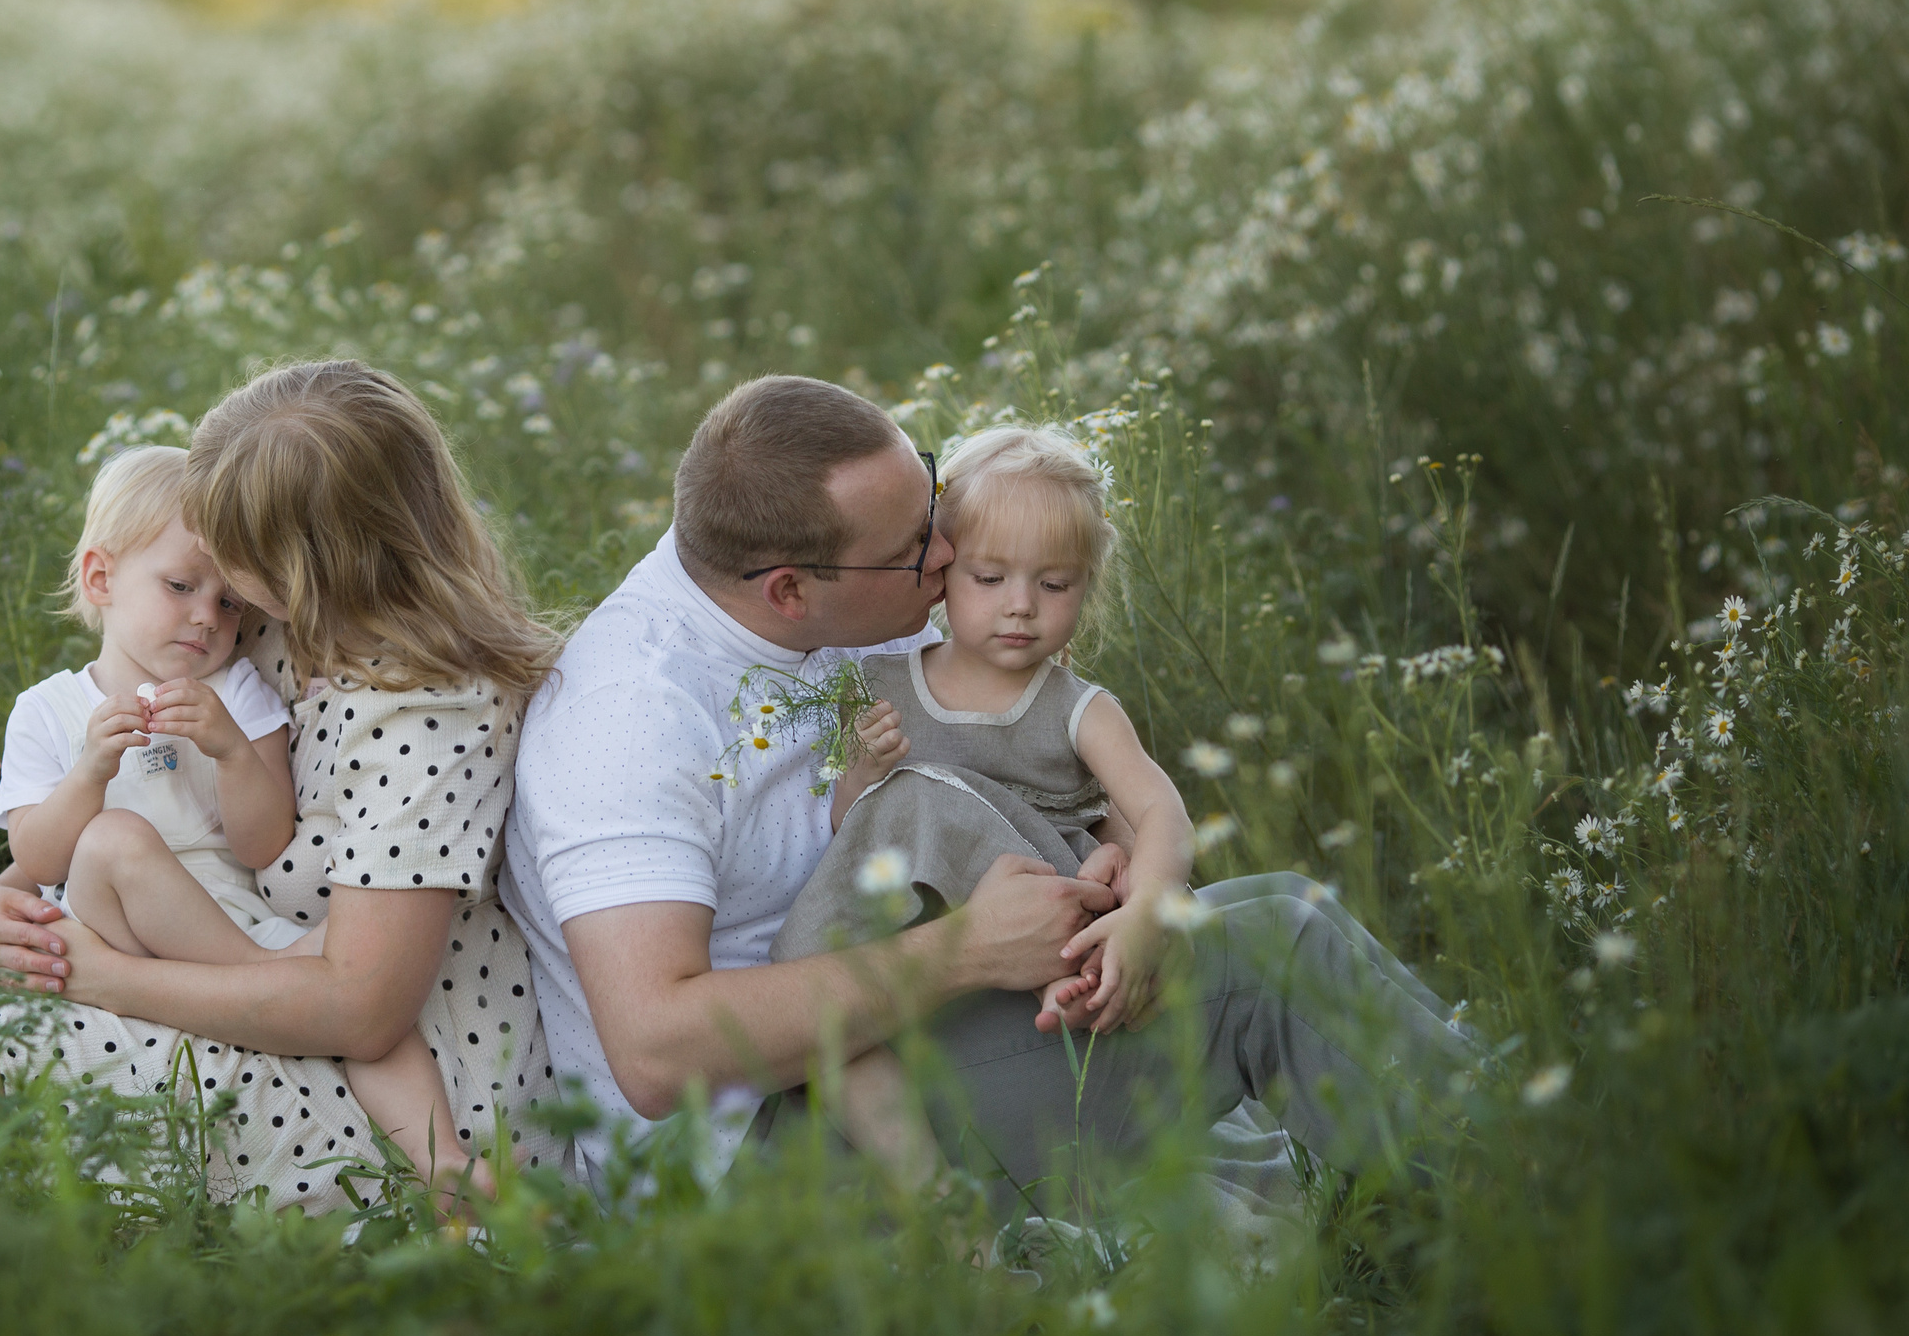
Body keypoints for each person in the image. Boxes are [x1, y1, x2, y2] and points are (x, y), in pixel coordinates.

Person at [502, 374, 1472, 1216]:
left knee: (1251, 940)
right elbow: (657, 1053)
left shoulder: (862, 595)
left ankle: (1470, 1145)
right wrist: (965, 952)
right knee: (1282, 945)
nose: (942, 555)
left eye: (931, 501)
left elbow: (1029, 762)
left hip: (899, 1029)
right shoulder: (629, 719)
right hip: (767, 1153)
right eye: (915, 546)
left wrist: (1110, 858)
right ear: (789, 591)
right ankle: (1524, 1193)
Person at [0, 361, 566, 1209]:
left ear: (300, 565)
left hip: (393, 1068)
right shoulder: (270, 635)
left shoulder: (429, 716)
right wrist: (6, 892)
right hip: (231, 957)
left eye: (234, 567)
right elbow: (84, 828)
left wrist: (98, 974)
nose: (212, 607)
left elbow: (360, 1011)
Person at [0, 442, 478, 1199]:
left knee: (377, 1030)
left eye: (227, 602)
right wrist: (89, 770)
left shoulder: (234, 689)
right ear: (100, 576)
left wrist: (229, 749)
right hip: (112, 910)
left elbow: (264, 842)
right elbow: (37, 850)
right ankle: (269, 985)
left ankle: (452, 1171)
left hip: (226, 908)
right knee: (114, 837)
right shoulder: (48, 711)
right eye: (181, 586)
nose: (205, 617)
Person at [790, 423, 1186, 1189]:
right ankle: (934, 1201)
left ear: (1085, 587)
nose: (1020, 608)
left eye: (1053, 584)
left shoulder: (1078, 708)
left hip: (1051, 945)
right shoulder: (881, 683)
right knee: (834, 1032)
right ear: (942, 570)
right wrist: (862, 769)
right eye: (990, 577)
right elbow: (851, 836)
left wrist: (1150, 907)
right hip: (926, 960)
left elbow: (1162, 810)